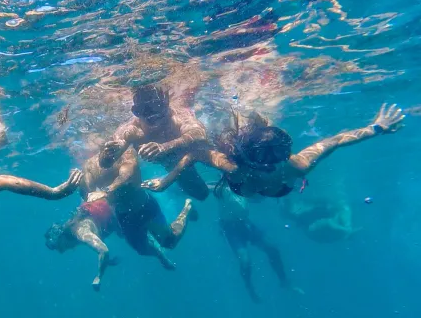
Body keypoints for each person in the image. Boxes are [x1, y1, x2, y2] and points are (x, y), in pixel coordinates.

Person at [141, 104, 405, 198]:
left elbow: (335, 141)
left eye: (280, 158)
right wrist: (167, 180)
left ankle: (254, 118)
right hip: (239, 166)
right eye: (271, 161)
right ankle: (249, 114)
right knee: (219, 131)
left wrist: (377, 128)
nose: (277, 164)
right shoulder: (234, 166)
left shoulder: (293, 165)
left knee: (254, 126)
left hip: (251, 177)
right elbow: (196, 152)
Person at [78, 141, 196, 274]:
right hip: (124, 216)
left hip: (144, 206)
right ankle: (160, 255)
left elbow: (126, 175)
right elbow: (88, 191)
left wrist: (107, 190)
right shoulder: (89, 165)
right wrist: (80, 184)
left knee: (169, 242)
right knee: (141, 250)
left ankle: (187, 207)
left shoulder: (125, 153)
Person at [104, 84, 211, 200]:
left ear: (167, 104)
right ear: (135, 111)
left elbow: (200, 135)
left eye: (157, 106)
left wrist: (165, 147)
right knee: (201, 194)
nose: (151, 115)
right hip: (173, 163)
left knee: (213, 182)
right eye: (142, 110)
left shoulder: (178, 116)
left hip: (198, 152)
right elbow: (105, 164)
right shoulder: (131, 129)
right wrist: (108, 155)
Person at [216, 183, 297, 303]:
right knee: (245, 259)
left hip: (245, 224)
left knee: (273, 249)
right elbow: (207, 188)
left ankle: (284, 281)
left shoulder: (243, 182)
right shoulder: (219, 188)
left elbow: (258, 196)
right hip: (230, 228)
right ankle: (250, 289)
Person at [44, 198, 120, 291]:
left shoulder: (80, 232)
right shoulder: (74, 226)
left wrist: (98, 276)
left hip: (116, 207)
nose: (61, 251)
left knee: (141, 248)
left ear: (61, 237)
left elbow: (103, 250)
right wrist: (106, 261)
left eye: (58, 246)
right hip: (105, 203)